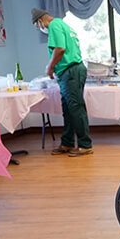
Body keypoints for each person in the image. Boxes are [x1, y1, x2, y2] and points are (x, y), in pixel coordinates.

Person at [32, 8, 93, 156]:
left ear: (40, 21)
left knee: (76, 108)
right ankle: (67, 143)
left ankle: (85, 145)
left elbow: (60, 49)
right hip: (70, 71)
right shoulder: (63, 25)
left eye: (37, 26)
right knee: (69, 109)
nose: (40, 29)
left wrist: (50, 67)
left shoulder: (54, 25)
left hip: (70, 71)